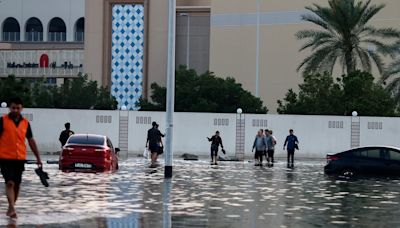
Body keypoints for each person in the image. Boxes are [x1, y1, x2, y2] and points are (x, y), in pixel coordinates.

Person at [0, 97, 43, 218]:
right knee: (10, 183)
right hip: (5, 158)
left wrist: (38, 158)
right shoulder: (2, 121)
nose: (15, 110)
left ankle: (10, 207)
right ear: (9, 108)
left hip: (19, 158)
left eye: (18, 108)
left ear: (21, 108)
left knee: (17, 185)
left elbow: (31, 140)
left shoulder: (25, 123)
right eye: (13, 108)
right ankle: (12, 209)